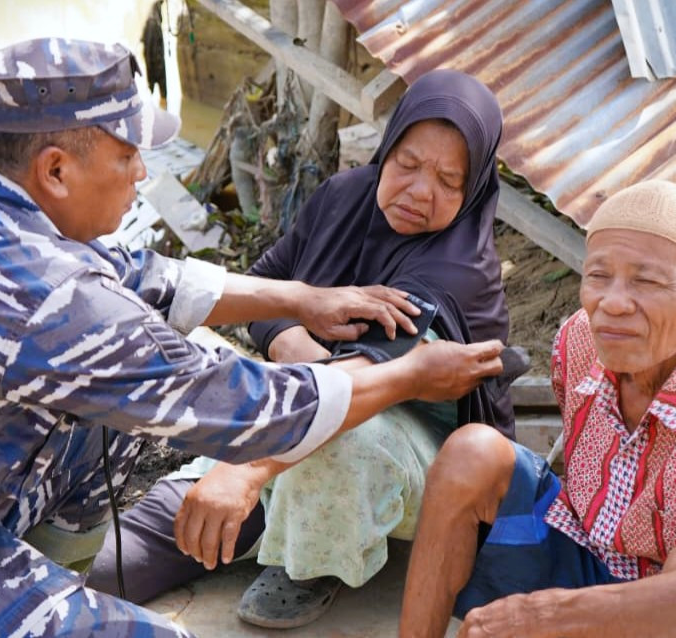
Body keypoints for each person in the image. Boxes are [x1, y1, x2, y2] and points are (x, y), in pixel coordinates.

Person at [0, 38, 506, 637]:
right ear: (56, 170)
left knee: (333, 443)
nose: (143, 171)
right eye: (128, 155)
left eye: (447, 179)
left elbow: (150, 277)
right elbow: (246, 403)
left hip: (360, 446)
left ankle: (53, 576)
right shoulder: (63, 303)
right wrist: (407, 373)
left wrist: (300, 301)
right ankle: (21, 594)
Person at [87, 69, 522, 628]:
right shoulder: (345, 197)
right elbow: (263, 286)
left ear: (473, 188)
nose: (419, 190)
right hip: (304, 405)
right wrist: (290, 338)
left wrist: (245, 471)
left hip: (407, 449)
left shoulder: (457, 269)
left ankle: (314, 560)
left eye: (447, 180)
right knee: (129, 556)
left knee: (344, 446)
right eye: (407, 164)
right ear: (388, 147)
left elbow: (360, 389)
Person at [398, 180, 676, 638]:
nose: (612, 303)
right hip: (587, 554)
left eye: (647, 281)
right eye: (598, 276)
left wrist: (548, 616)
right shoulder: (579, 338)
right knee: (471, 453)